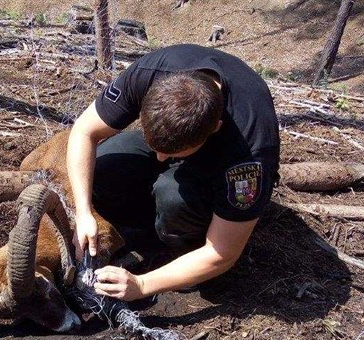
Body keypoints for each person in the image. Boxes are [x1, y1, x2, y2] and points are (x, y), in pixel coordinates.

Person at [67, 44, 280, 301]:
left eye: (171, 154)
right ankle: (151, 224)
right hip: (178, 133)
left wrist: (143, 285)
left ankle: (183, 249)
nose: (159, 159)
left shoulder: (249, 153)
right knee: (104, 166)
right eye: (155, 147)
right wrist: (83, 212)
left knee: (173, 196)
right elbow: (83, 131)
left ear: (215, 129)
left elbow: (223, 253)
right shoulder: (150, 73)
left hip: (218, 167)